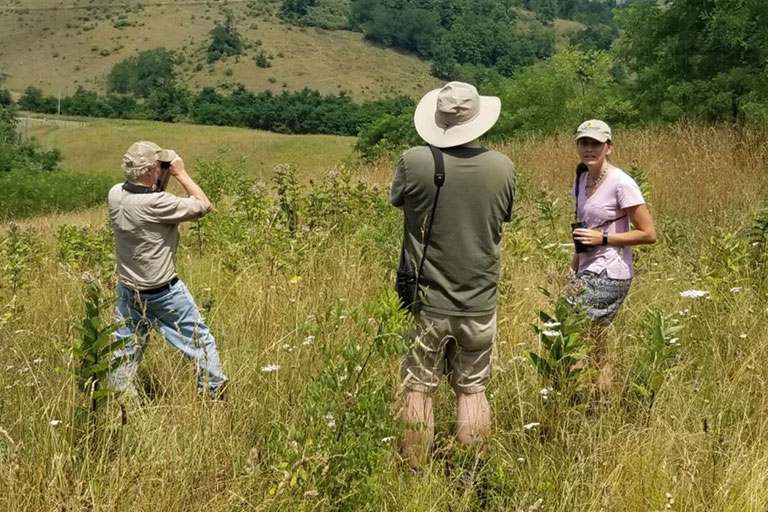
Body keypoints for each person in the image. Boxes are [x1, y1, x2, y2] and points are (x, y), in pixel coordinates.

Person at [391, 82, 516, 470]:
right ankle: (471, 477)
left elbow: (398, 201)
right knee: (472, 391)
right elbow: (504, 216)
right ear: (478, 120)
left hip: (425, 302)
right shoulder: (503, 167)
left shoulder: (414, 161)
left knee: (417, 389)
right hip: (479, 300)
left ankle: (414, 475)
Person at [107, 141, 228, 397]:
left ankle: (120, 398)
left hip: (128, 289)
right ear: (152, 170)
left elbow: (149, 193)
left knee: (126, 347)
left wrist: (159, 175)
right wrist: (179, 173)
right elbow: (204, 205)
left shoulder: (115, 193)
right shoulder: (158, 204)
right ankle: (213, 392)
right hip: (163, 292)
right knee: (200, 341)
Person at [569, 119, 657, 393]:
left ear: (609, 147)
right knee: (595, 343)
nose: (589, 149)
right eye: (584, 143)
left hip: (610, 271)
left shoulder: (621, 182)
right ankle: (599, 404)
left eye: (596, 144)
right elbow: (583, 227)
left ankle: (576, 402)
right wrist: (573, 267)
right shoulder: (582, 178)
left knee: (575, 337)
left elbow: (649, 233)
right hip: (587, 267)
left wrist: (604, 238)